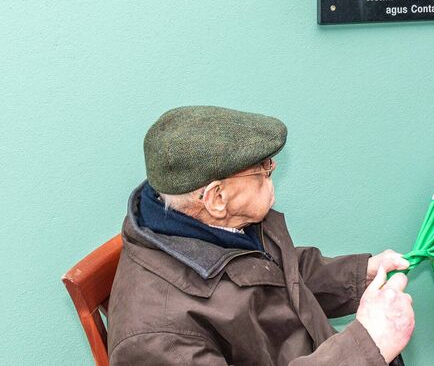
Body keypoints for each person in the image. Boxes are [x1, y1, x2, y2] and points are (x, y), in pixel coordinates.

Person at [108, 106, 414, 365]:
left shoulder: (212, 223)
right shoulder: (154, 339)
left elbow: (281, 273)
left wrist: (360, 275)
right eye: (262, 170)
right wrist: (364, 348)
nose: (272, 168)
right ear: (216, 198)